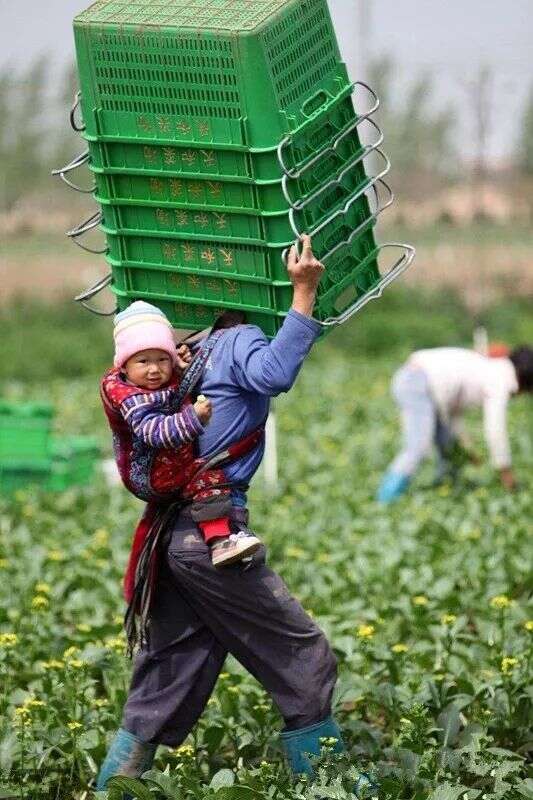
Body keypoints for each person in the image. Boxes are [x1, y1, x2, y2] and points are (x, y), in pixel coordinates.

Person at [96, 236, 375, 797]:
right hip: (211, 537)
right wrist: (305, 292)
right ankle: (333, 787)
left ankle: (112, 789)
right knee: (303, 653)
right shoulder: (237, 336)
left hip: (172, 540)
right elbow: (274, 373)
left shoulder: (182, 355)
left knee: (174, 662)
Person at [100, 300, 263, 569]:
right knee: (209, 482)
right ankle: (221, 541)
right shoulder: (131, 398)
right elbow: (154, 433)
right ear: (124, 366)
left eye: (162, 359)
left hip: (170, 460)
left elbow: (168, 376)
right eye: (143, 361)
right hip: (153, 474)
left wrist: (178, 364)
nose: (154, 369)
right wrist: (193, 418)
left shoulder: (152, 377)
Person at [377, 345, 533, 503]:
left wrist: (467, 449)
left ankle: (444, 494)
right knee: (417, 447)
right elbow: (495, 430)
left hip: (420, 380)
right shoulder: (501, 379)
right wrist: (505, 471)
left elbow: (453, 413)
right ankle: (385, 499)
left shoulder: (492, 368)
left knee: (448, 447)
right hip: (417, 381)